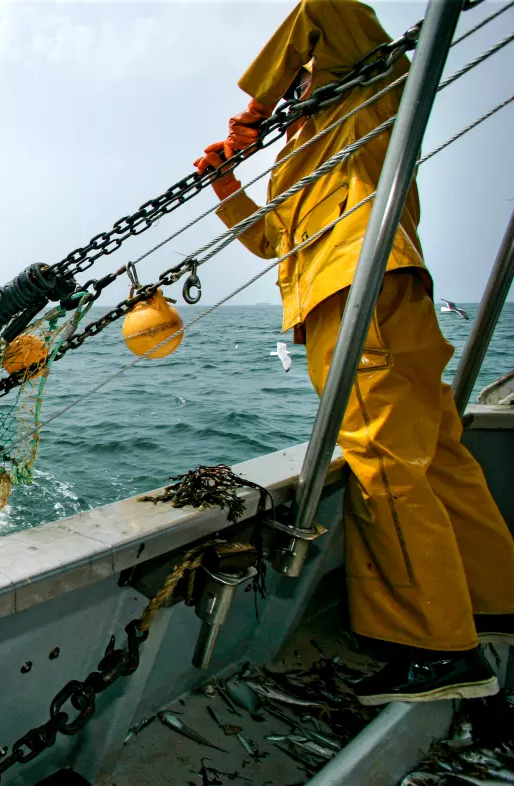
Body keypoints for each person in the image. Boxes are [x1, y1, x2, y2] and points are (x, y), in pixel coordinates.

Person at [194, 0, 514, 705]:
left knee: (385, 469)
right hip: (387, 302)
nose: (295, 95)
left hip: (358, 298)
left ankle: (438, 652)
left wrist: (252, 111)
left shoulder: (367, 89)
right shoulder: (311, 152)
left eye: (299, 83)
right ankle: (493, 603)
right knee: (442, 456)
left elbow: (325, 5)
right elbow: (276, 238)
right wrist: (227, 184)